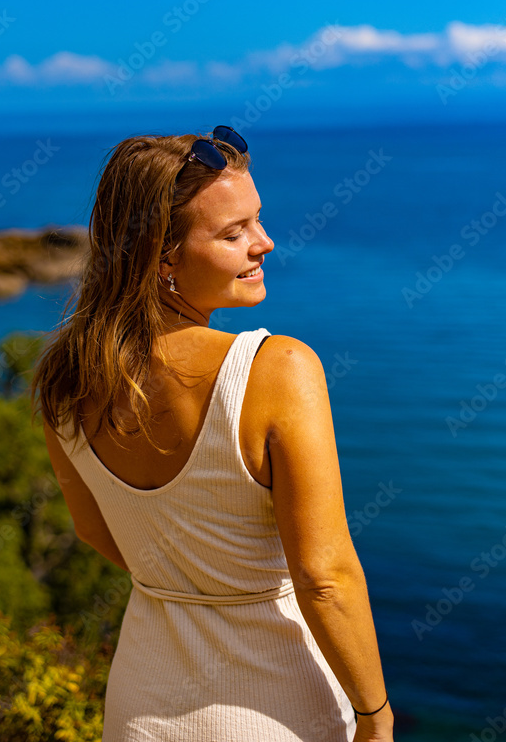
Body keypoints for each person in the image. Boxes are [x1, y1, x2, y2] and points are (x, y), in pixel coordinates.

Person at [33, 126, 394, 742]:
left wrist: (188, 582)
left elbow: (94, 529)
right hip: (276, 709)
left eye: (257, 220)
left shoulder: (64, 379)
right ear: (161, 256)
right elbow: (325, 576)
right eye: (234, 233)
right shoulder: (276, 370)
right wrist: (375, 716)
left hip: (140, 706)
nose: (266, 243)